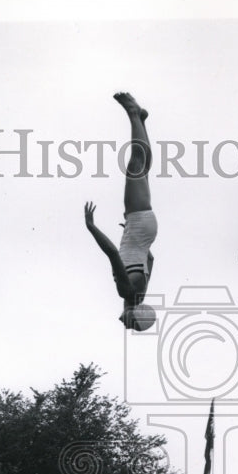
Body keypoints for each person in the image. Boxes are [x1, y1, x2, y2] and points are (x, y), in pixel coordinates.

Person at [84, 92, 157, 333]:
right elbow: (113, 254)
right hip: (139, 226)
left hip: (145, 230)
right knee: (136, 167)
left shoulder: (141, 291)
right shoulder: (127, 293)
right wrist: (92, 227)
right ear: (134, 314)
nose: (123, 323)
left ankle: (141, 120)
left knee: (141, 169)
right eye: (129, 323)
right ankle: (133, 114)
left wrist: (134, 239)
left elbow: (150, 259)